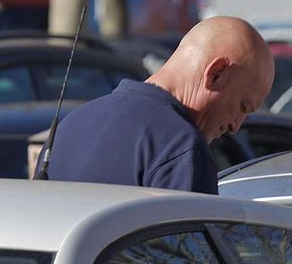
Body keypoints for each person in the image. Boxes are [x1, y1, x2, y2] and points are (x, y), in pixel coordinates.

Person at [41, 16, 273, 193]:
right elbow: (188, 243)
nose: (235, 126)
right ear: (217, 73)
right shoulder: (180, 148)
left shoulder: (66, 129)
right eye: (243, 106)